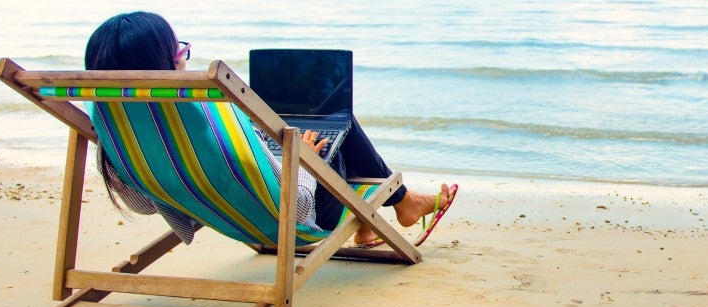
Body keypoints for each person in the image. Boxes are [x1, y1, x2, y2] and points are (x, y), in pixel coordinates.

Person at [84, 11, 455, 246]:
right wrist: (305, 160)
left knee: (315, 129)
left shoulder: (113, 128)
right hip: (290, 215)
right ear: (166, 61)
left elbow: (144, 205)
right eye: (178, 51)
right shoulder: (205, 109)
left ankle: (374, 220)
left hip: (227, 209)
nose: (184, 57)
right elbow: (299, 212)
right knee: (338, 124)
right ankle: (403, 204)